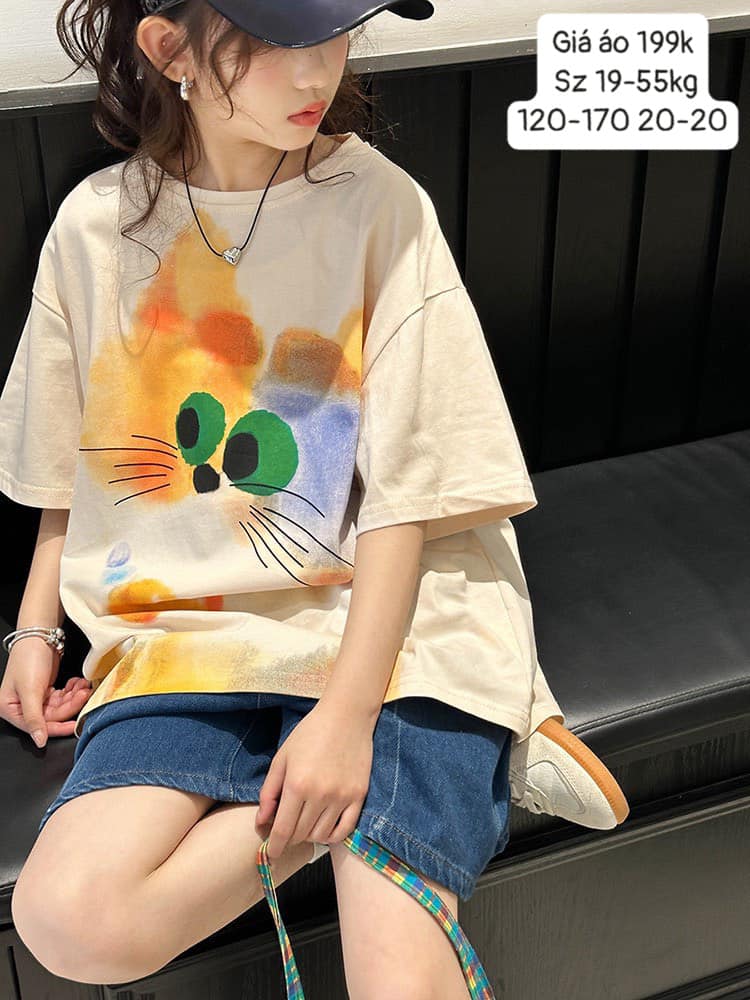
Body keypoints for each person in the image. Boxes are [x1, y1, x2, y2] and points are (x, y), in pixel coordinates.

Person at [0, 0, 628, 995]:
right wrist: (34, 630)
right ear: (170, 50)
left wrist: (344, 718)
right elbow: (65, 462)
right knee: (69, 919)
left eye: (335, 31)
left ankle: (429, 745)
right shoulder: (95, 228)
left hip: (395, 611)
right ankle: (416, 781)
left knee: (397, 978)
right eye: (273, 42)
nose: (317, 72)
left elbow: (408, 493)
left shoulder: (380, 207)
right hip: (184, 627)